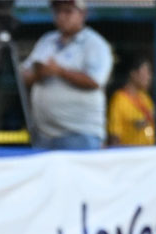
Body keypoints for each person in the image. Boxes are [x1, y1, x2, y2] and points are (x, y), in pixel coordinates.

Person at [20, 0, 113, 151]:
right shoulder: (47, 40)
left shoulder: (94, 44)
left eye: (68, 11)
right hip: (43, 136)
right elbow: (24, 76)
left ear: (83, 14)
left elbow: (95, 81)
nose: (62, 16)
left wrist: (60, 71)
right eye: (58, 12)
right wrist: (40, 73)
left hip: (80, 135)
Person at [107, 54, 155, 146]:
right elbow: (114, 135)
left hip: (148, 154)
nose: (149, 77)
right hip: (129, 155)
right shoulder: (119, 99)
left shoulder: (145, 98)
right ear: (133, 73)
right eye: (146, 71)